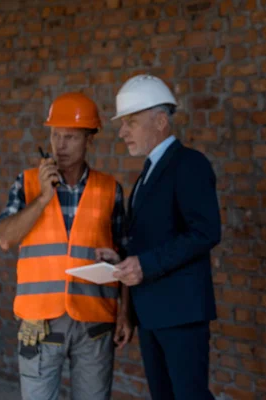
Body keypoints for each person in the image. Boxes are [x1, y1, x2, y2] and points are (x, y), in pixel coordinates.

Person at [0, 92, 133, 400]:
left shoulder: (110, 189)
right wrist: (43, 198)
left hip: (94, 323)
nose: (60, 146)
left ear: (89, 140)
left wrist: (126, 312)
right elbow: (5, 238)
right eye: (55, 135)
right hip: (40, 324)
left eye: (70, 137)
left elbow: (125, 256)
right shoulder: (27, 183)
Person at [96, 74, 221, 400]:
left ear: (161, 121)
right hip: (151, 311)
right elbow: (149, 240)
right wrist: (121, 258)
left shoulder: (189, 164)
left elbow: (206, 232)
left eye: (131, 123)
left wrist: (145, 264)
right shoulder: (146, 174)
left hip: (180, 312)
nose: (123, 132)